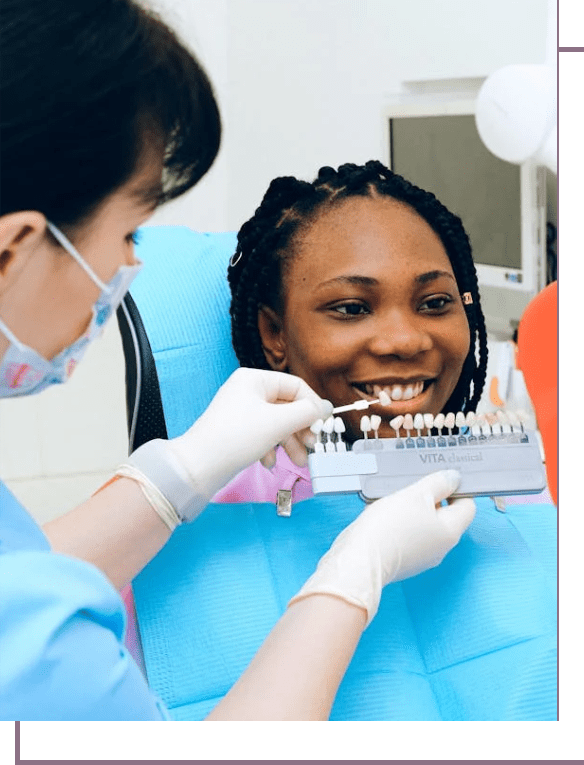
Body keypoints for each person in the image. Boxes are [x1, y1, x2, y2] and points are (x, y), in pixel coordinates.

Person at [0, 1, 475, 721]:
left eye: (436, 301)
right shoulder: (54, 643)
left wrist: (175, 474)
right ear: (15, 249)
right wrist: (352, 576)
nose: (134, 263)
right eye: (128, 229)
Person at [215, 160, 489, 505]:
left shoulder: (527, 493)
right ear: (274, 335)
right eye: (352, 309)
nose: (405, 341)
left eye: (433, 303)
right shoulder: (230, 513)